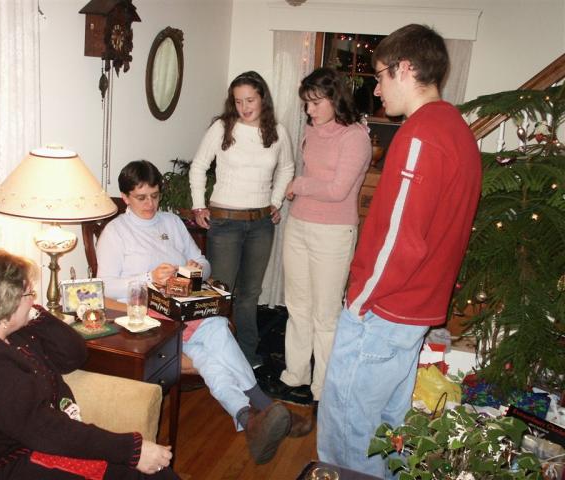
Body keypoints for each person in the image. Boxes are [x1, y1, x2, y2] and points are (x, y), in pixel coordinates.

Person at [317, 24, 482, 478]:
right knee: (388, 431)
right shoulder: (457, 130)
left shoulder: (421, 135)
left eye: (381, 75)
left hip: (383, 311)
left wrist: (360, 301)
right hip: (412, 312)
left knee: (348, 432)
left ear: (406, 69)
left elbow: (400, 238)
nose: (376, 86)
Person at [96, 160, 311, 466]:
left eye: (155, 195)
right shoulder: (116, 233)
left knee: (212, 348)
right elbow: (104, 285)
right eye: (141, 197)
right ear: (125, 197)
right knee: (217, 331)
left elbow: (201, 260)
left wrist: (196, 269)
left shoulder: (170, 222)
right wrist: (148, 278)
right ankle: (264, 406)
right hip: (149, 318)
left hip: (187, 308)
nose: (151, 204)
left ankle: (249, 419)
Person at [0, 249, 177, 479]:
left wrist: (34, 313)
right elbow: (44, 429)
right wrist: (132, 450)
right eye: (28, 293)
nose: (33, 298)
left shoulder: (4, 333)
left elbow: (73, 355)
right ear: (5, 303)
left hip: (23, 447)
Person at [265, 67, 371, 408]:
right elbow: (312, 173)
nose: (309, 111)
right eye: (306, 104)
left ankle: (324, 387)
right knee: (297, 307)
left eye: (315, 103)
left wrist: (297, 185)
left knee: (325, 315)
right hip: (299, 226)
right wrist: (298, 189)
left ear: (334, 98)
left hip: (334, 232)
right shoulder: (312, 129)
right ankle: (297, 374)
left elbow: (339, 190)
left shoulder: (355, 137)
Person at [189, 71, 295, 368]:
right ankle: (212, 353)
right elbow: (198, 167)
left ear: (263, 98)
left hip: (261, 224)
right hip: (225, 222)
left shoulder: (277, 132)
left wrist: (275, 202)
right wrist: (199, 207)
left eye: (250, 99)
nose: (245, 107)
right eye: (238, 101)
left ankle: (247, 354)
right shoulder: (223, 128)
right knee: (220, 292)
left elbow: (287, 169)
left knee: (250, 295)